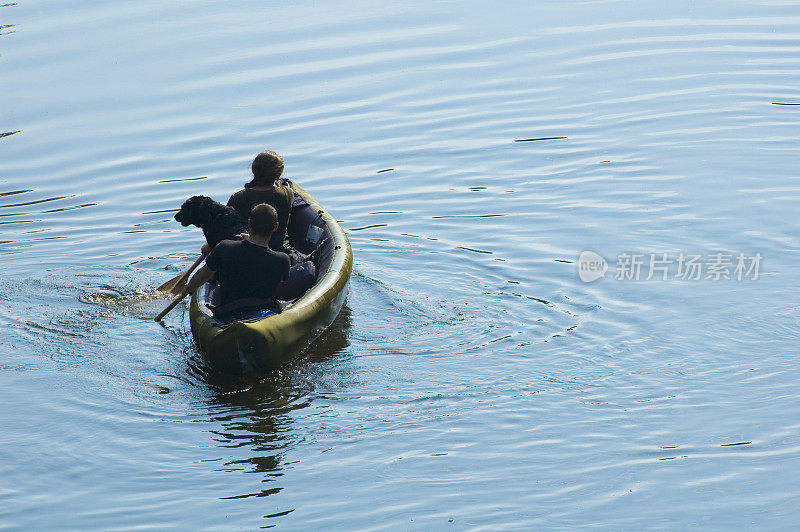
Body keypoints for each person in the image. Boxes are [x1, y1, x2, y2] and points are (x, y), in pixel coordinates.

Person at [186, 203, 290, 321]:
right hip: (264, 316)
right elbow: (281, 282)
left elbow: (201, 275)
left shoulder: (224, 248)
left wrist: (188, 288)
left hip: (228, 315)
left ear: (249, 223)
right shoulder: (282, 260)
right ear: (275, 227)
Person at [227, 150, 297, 259]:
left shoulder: (238, 198)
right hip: (279, 251)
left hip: (246, 253)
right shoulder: (286, 194)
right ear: (278, 174)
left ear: (253, 170)